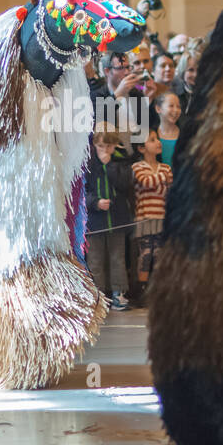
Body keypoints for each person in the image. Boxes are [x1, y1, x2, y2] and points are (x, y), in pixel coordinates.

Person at [85, 127, 134, 311]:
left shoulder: (121, 161)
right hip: (95, 221)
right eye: (100, 146)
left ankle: (118, 294)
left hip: (117, 219)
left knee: (117, 258)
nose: (103, 150)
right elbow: (83, 191)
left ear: (115, 146)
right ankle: (98, 294)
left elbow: (124, 183)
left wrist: (109, 166)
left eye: (108, 146)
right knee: (95, 259)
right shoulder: (87, 163)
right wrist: (95, 203)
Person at [131, 128, 172, 286]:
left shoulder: (165, 167)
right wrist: (162, 179)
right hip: (144, 219)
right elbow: (145, 182)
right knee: (146, 253)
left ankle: (157, 288)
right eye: (152, 140)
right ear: (141, 148)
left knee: (159, 254)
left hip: (161, 218)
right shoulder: (137, 167)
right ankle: (143, 287)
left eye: (157, 139)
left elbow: (167, 191)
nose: (158, 142)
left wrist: (158, 181)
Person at [154, 89, 182, 167]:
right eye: (171, 106)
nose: (176, 110)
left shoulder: (186, 134)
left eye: (178, 107)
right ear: (158, 109)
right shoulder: (151, 135)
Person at [172, 51, 197, 116]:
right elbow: (145, 123)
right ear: (182, 71)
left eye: (200, 69)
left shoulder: (210, 93)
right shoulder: (173, 92)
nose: (196, 75)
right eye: (191, 70)